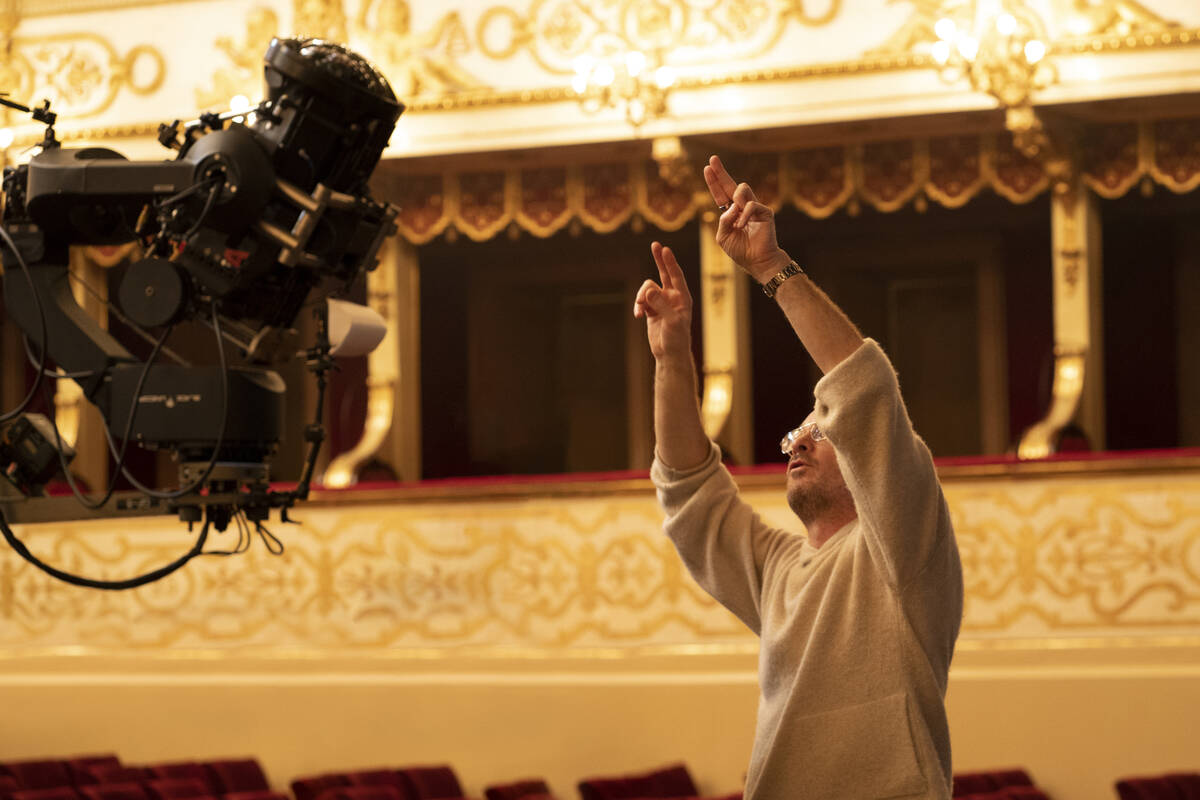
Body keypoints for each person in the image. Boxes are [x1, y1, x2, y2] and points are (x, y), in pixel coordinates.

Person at [633, 155, 963, 799]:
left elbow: (863, 391)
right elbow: (690, 494)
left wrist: (769, 269)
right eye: (796, 432)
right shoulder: (781, 569)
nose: (800, 442)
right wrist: (672, 354)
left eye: (821, 429)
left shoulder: (902, 545)